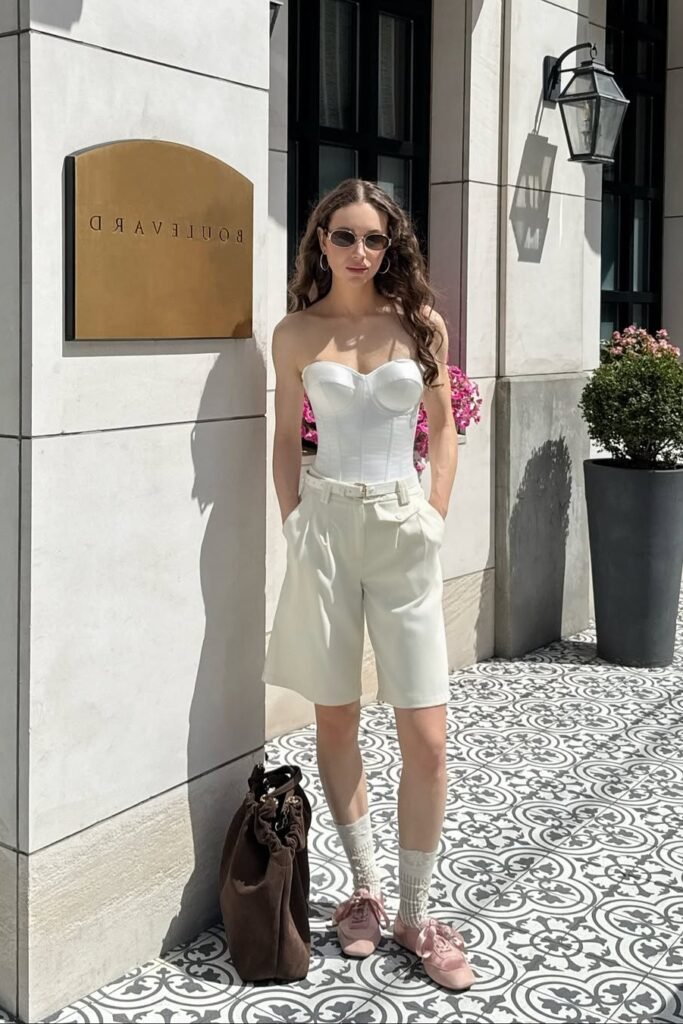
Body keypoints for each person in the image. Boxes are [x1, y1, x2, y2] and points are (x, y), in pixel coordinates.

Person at [262, 178, 475, 991]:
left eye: (374, 240)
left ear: (392, 248)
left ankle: (418, 914)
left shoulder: (419, 324)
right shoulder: (294, 333)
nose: (359, 252)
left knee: (425, 736)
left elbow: (445, 427)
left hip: (400, 531)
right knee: (336, 715)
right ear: (320, 240)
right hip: (324, 532)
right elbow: (285, 440)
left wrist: (434, 516)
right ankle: (366, 893)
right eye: (344, 236)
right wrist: (293, 525)